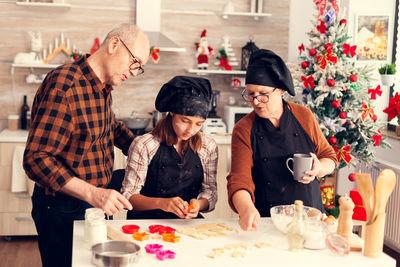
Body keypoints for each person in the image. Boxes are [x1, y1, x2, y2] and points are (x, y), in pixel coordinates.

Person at [23, 23, 150, 267]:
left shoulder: (102, 86)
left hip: (91, 203)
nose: (135, 72)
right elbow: (36, 159)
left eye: (139, 67)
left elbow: (110, 127)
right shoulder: (65, 86)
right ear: (114, 45)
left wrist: (145, 148)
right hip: (62, 208)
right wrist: (94, 193)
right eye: (135, 62)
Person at [227, 49, 338, 231]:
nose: (256, 101)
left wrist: (319, 168)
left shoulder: (304, 115)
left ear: (280, 90)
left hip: (309, 219)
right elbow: (239, 180)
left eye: (263, 94)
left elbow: (329, 156)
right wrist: (246, 208)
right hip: (267, 221)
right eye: (250, 94)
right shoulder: (243, 129)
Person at [121, 76, 218, 219]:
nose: (191, 130)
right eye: (185, 121)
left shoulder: (208, 146)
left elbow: (210, 192)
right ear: (171, 112)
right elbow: (128, 196)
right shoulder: (144, 145)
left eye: (199, 124)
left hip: (186, 222)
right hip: (145, 222)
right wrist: (162, 203)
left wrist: (198, 205)